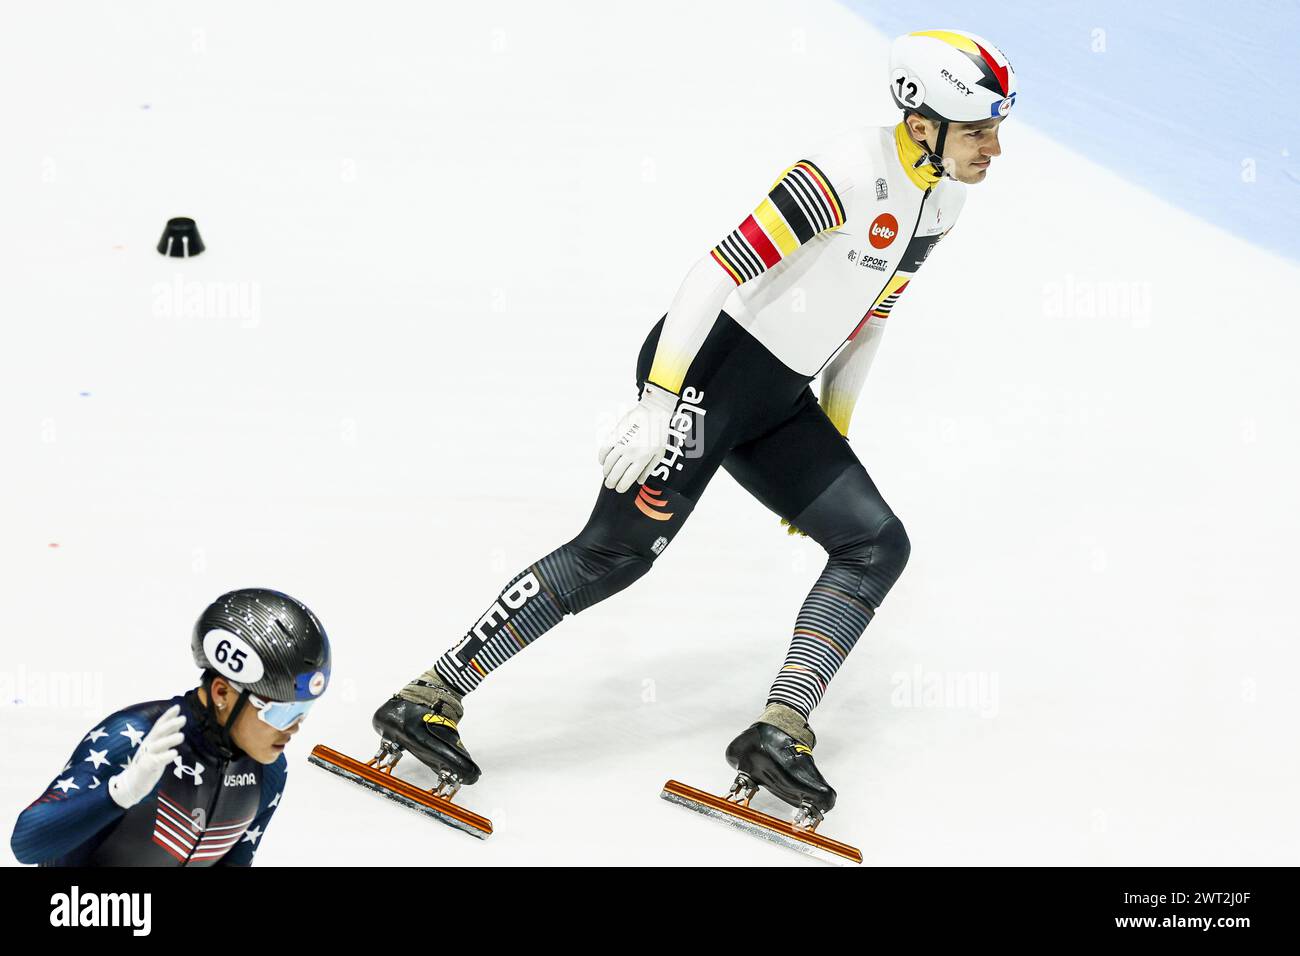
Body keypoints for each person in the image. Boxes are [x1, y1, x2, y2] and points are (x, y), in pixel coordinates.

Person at [371, 29, 1017, 827]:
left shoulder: (943, 202)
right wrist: (656, 400)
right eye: (981, 130)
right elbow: (717, 269)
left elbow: (869, 318)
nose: (996, 148)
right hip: (706, 374)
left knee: (876, 544)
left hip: (780, 397)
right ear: (924, 125)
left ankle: (778, 733)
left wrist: (834, 437)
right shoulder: (847, 173)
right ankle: (428, 696)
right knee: (615, 553)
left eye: (997, 128)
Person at [10, 588, 331, 866]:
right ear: (222, 693)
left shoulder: (269, 772)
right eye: (281, 712)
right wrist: (119, 794)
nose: (294, 728)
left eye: (304, 711)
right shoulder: (135, 737)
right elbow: (26, 843)